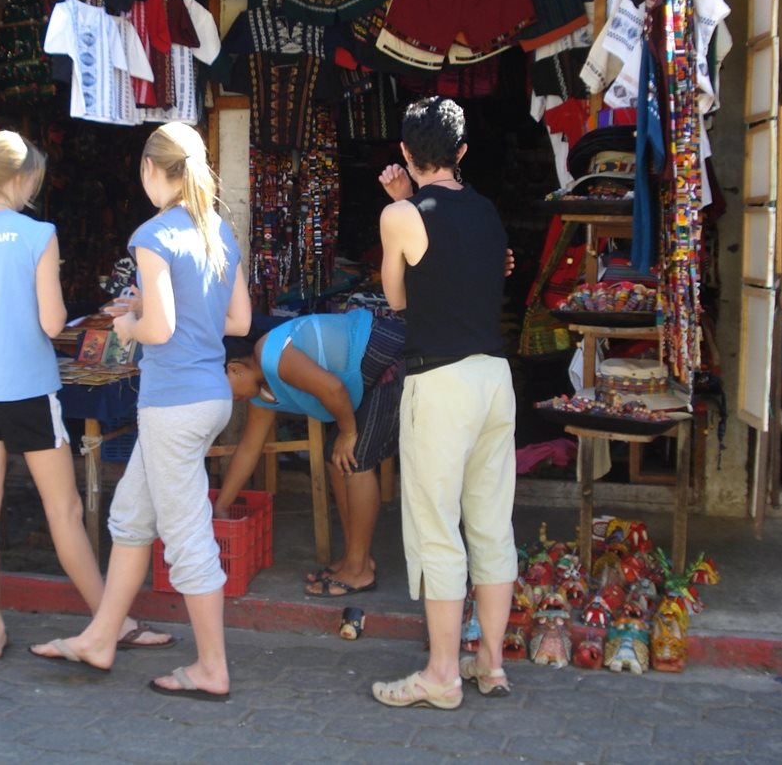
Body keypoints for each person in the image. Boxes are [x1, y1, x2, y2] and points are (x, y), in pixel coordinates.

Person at [30, 122, 251, 703]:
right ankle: (102, 637)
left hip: (171, 402)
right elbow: (239, 323)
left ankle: (211, 668)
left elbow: (159, 328)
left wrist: (129, 320)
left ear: (154, 171)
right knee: (131, 518)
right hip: (209, 394)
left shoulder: (152, 235)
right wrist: (147, 304)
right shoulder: (219, 232)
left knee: (187, 540)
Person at [0, 130, 172, 659]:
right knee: (63, 509)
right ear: (19, 180)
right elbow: (52, 322)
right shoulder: (37, 235)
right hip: (28, 390)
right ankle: (113, 623)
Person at [372, 97, 517, 709]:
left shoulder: (403, 214)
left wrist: (399, 204)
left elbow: (399, 299)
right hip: (494, 379)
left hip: (441, 384)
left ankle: (440, 673)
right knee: (489, 523)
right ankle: (491, 663)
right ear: (462, 153)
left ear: (405, 153)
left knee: (437, 527)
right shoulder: (486, 211)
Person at [216, 311, 409, 598]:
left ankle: (358, 571)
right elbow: (248, 449)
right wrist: (221, 506)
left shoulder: (271, 356)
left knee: (355, 459)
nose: (227, 398)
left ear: (234, 368)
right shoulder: (261, 394)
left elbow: (333, 388)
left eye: (223, 389)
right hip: (367, 378)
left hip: (390, 356)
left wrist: (348, 433)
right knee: (336, 459)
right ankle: (356, 558)